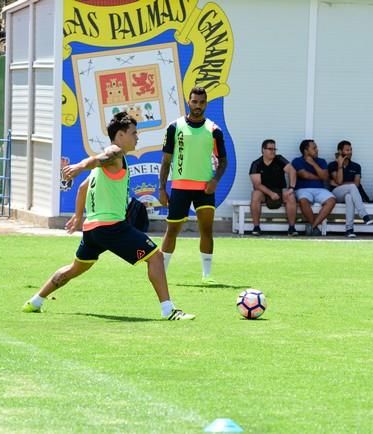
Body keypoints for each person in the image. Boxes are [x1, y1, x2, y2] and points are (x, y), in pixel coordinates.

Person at [22, 112, 194, 320]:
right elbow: (101, 158)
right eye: (133, 133)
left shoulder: (103, 168)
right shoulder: (115, 153)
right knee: (155, 257)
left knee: (75, 268)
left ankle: (35, 301)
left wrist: (78, 217)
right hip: (111, 228)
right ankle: (169, 310)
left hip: (93, 230)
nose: (137, 137)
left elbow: (82, 189)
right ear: (120, 135)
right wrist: (79, 166)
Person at [158, 87, 228, 284]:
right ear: (189, 102)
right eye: (194, 102)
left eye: (201, 102)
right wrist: (162, 189)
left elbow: (223, 161)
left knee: (206, 230)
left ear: (206, 104)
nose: (198, 106)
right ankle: (161, 272)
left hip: (204, 188)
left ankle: (207, 275)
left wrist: (215, 180)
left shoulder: (214, 130)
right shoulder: (175, 127)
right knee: (172, 231)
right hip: (180, 187)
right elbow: (166, 161)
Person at [248, 139, 298, 236]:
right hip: (264, 193)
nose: (273, 151)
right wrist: (271, 194)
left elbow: (292, 171)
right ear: (263, 150)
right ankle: (256, 227)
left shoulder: (279, 159)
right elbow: (257, 184)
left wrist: (291, 188)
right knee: (255, 194)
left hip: (280, 190)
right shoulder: (256, 164)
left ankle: (292, 228)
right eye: (270, 149)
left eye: (275, 149)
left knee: (291, 196)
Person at [327, 140, 373, 238]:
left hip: (349, 193)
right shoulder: (332, 165)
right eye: (347, 150)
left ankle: (349, 229)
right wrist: (340, 165)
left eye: (351, 150)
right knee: (351, 187)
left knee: (349, 196)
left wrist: (338, 184)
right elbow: (340, 181)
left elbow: (356, 184)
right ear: (340, 151)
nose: (350, 152)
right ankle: (363, 215)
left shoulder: (356, 166)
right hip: (336, 194)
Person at [292, 139, 336, 236]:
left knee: (331, 200)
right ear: (306, 151)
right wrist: (319, 176)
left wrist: (313, 163)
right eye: (314, 148)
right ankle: (315, 227)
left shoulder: (321, 161)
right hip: (303, 189)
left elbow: (325, 177)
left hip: (320, 190)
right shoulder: (297, 161)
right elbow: (304, 175)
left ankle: (313, 226)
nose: (317, 150)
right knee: (303, 201)